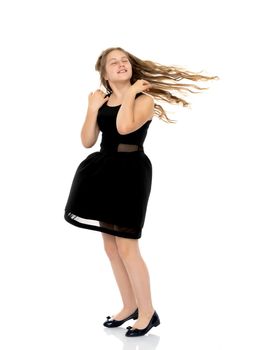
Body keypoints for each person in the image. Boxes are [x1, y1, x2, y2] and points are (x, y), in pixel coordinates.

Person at [64, 47, 217, 337]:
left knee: (127, 247)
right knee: (110, 248)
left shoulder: (144, 99)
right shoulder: (102, 100)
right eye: (114, 62)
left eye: (125, 61)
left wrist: (132, 93)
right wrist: (92, 107)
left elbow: (123, 127)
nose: (121, 64)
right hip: (102, 171)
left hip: (130, 172)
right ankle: (129, 306)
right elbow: (87, 140)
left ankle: (147, 313)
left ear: (132, 69)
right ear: (104, 73)